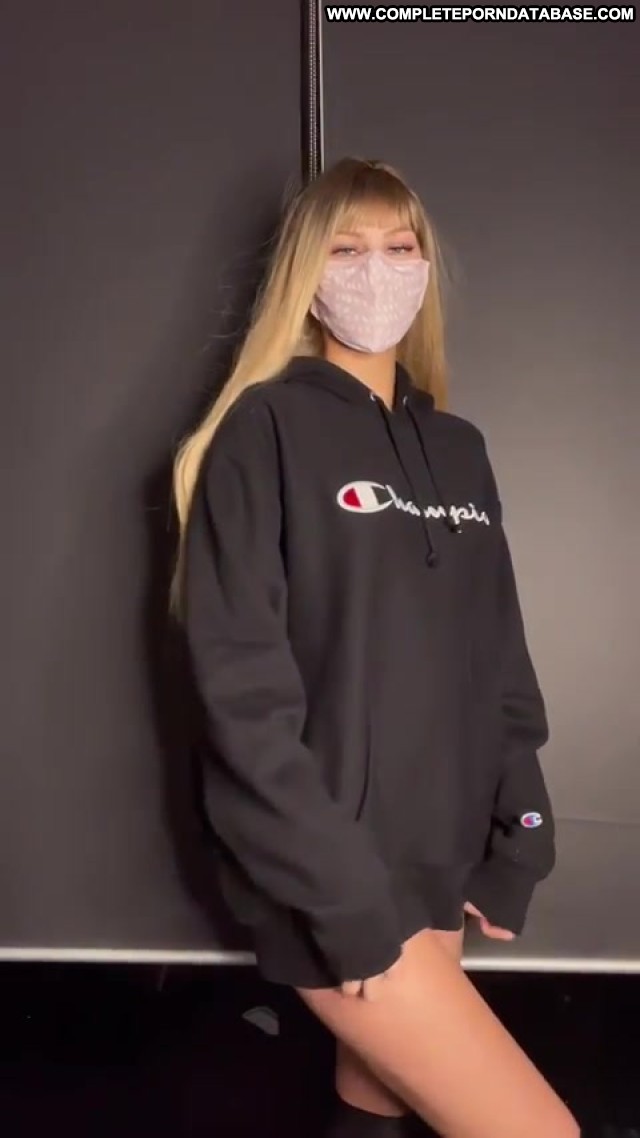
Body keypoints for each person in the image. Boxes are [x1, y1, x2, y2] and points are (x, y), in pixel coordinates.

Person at [170, 157, 580, 1138]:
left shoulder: (459, 449)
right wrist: (339, 895)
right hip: (328, 875)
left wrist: (522, 835)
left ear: (426, 268)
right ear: (305, 273)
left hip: (439, 858)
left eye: (400, 247)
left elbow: (499, 659)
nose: (377, 270)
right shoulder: (263, 430)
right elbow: (242, 694)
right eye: (347, 249)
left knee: (375, 1100)